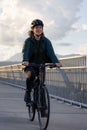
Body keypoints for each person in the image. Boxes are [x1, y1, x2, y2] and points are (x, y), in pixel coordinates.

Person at [22, 19, 62, 105]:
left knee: (41, 85)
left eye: (40, 27)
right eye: (36, 27)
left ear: (42, 29)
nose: (38, 29)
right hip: (30, 65)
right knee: (31, 75)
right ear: (32, 29)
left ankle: (43, 109)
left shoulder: (46, 41)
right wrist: (25, 60)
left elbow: (51, 53)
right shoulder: (28, 41)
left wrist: (56, 62)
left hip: (41, 65)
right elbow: (25, 51)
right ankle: (28, 93)